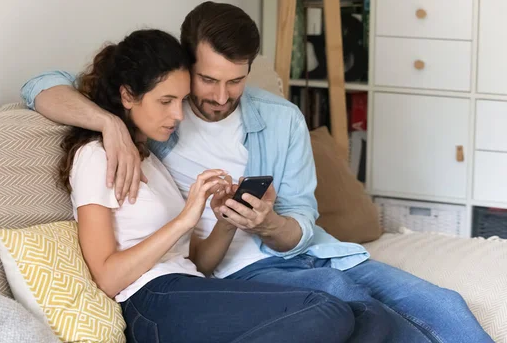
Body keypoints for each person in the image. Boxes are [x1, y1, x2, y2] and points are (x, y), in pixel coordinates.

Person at [21, 2, 492, 343]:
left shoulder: (278, 118)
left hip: (312, 253)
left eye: (237, 80)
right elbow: (38, 86)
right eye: (207, 80)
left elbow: (300, 218)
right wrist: (109, 125)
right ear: (187, 69)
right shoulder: (156, 122)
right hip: (239, 276)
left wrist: (264, 221)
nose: (222, 96)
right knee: (346, 302)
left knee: (441, 305)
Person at [57, 28, 357, 343]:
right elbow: (106, 278)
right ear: (127, 95)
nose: (178, 115)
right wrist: (185, 219)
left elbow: (197, 262)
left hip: (191, 286)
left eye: (182, 101)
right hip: (150, 299)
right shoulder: (95, 157)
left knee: (362, 314)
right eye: (166, 101)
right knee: (327, 310)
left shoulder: (150, 159)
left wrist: (227, 221)